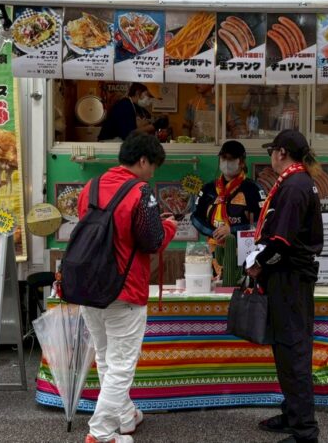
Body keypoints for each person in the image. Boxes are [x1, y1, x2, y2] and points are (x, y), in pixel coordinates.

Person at [77, 132, 177, 443]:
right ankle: (100, 434)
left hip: (89, 286)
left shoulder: (90, 187)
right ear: (143, 160)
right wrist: (169, 226)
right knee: (121, 365)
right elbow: (152, 241)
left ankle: (125, 416)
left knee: (106, 357)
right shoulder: (140, 191)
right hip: (125, 288)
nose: (153, 174)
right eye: (153, 166)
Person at [246, 129, 322, 443]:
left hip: (291, 278)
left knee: (293, 352)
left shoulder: (294, 186)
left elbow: (281, 241)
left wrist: (258, 263)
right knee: (286, 349)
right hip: (289, 277)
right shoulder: (297, 182)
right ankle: (292, 414)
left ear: (281, 153)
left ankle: (305, 431)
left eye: (271, 152)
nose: (270, 158)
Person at [191, 140, 265, 286]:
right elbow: (195, 217)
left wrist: (232, 230)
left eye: (231, 159)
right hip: (213, 252)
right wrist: (213, 232)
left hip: (243, 253)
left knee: (240, 290)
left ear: (241, 162)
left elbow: (262, 222)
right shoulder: (208, 189)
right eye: (223, 158)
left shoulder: (253, 189)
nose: (226, 162)